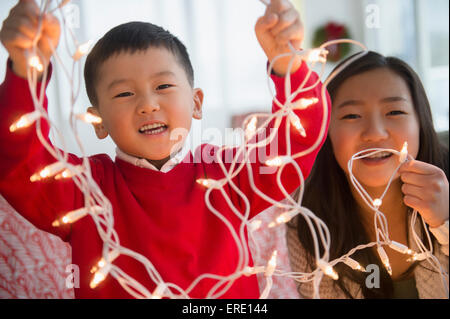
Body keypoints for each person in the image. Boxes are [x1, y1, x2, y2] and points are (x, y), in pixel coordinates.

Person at [0, 0, 330, 298]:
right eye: (124, 94)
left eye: (163, 86)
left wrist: (287, 63)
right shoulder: (85, 192)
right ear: (97, 121)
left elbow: (295, 139)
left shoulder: (228, 175)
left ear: (196, 103)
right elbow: (19, 161)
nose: (148, 104)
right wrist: (27, 72)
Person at [287, 51, 449, 299]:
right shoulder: (307, 217)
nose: (374, 133)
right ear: (327, 130)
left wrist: (444, 224)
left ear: (421, 122)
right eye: (351, 116)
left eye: (394, 112)